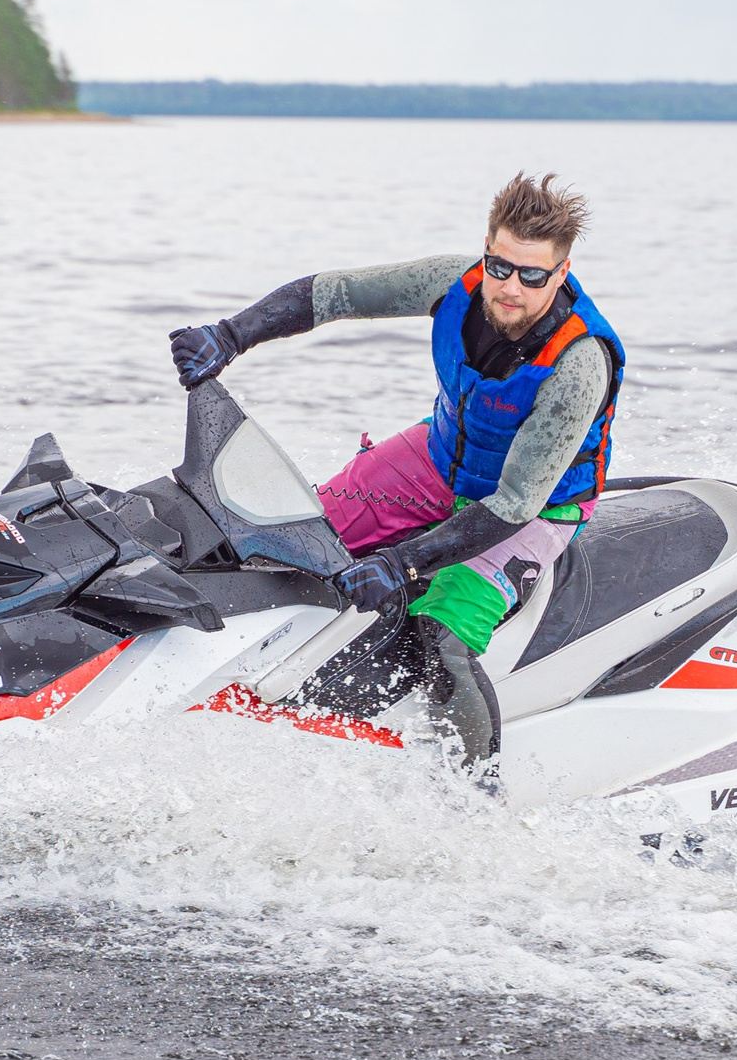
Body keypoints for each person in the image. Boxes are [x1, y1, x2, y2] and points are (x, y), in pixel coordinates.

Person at [168, 173, 624, 770]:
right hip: (439, 459)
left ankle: (478, 793)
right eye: (500, 266)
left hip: (535, 506)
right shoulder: (453, 282)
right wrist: (229, 336)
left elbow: (514, 503)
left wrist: (401, 562)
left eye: (533, 276)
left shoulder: (577, 363)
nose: (511, 288)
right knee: (290, 535)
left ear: (561, 273)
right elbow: (330, 295)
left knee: (441, 640)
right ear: (487, 250)